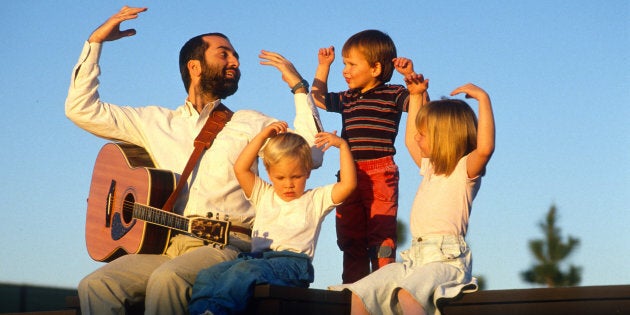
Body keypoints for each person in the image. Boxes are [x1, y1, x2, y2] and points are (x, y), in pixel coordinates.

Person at [65, 6, 324, 315]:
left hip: (228, 246)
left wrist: (298, 88)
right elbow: (80, 109)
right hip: (169, 245)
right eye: (224, 54)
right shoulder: (156, 121)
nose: (236, 62)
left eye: (234, 56)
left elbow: (312, 153)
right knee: (97, 285)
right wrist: (95, 43)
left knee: (168, 280)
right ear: (195, 66)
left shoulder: (251, 122)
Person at [345, 69, 496, 315]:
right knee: (362, 291)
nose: (417, 138)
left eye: (423, 134)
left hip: (446, 261)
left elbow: (486, 147)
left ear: (444, 137)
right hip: (415, 260)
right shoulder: (430, 169)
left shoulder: (464, 171)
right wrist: (415, 96)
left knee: (408, 294)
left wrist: (483, 99)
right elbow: (407, 141)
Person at [188, 122, 356, 315]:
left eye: (296, 176)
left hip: (291, 265)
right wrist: (261, 136)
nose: (289, 185)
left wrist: (343, 146)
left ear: (308, 171)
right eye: (281, 178)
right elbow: (241, 169)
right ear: (269, 174)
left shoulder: (316, 199)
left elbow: (348, 184)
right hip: (257, 259)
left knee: (243, 273)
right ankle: (200, 311)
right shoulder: (264, 194)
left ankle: (217, 312)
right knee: (208, 275)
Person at [310, 29, 424, 283]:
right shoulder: (348, 98)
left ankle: (384, 284)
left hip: (380, 171)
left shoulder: (393, 94)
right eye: (343, 64)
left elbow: (421, 110)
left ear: (375, 68)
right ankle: (353, 288)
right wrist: (323, 66)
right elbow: (317, 99)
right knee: (350, 236)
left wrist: (413, 84)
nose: (345, 70)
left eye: (351, 64)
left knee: (380, 234)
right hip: (349, 175)